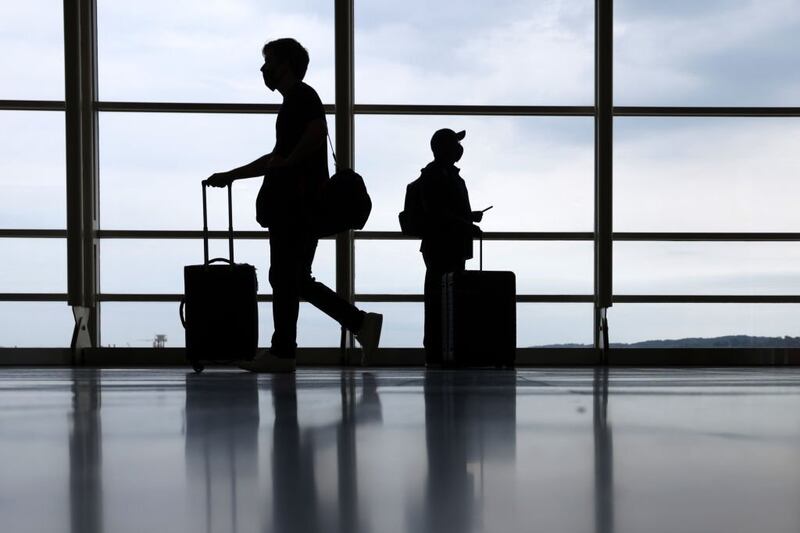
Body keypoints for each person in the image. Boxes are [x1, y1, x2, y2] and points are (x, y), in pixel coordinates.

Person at [206, 38, 382, 372]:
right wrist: (234, 175)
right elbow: (276, 158)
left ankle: (286, 351)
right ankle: (354, 325)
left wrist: (288, 164)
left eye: (269, 61)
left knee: (286, 276)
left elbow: (313, 134)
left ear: (285, 64)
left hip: (295, 207)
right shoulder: (296, 101)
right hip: (300, 206)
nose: (264, 68)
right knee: (293, 277)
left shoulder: (301, 96)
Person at [417, 129, 483, 365]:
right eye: (455, 143)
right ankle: (437, 352)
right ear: (444, 147)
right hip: (442, 246)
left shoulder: (443, 174)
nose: (459, 148)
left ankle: (445, 350)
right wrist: (466, 224)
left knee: (446, 299)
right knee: (440, 300)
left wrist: (469, 217)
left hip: (449, 245)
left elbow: (445, 210)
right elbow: (438, 213)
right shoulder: (437, 175)